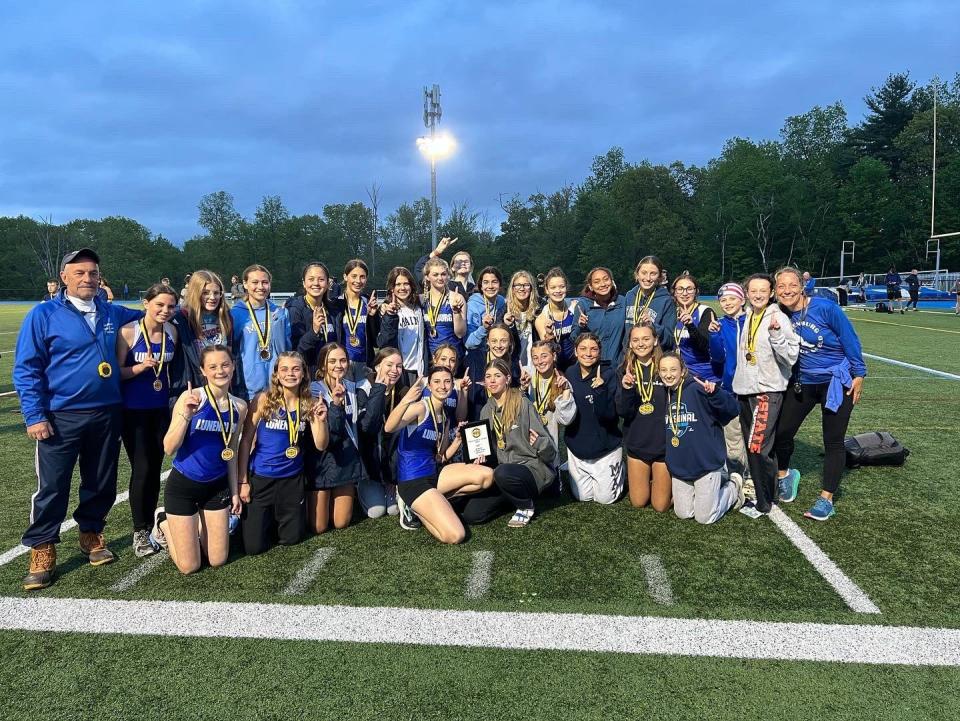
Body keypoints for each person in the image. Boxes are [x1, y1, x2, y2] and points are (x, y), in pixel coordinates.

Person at [14, 248, 143, 590]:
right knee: (53, 485)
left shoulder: (111, 311)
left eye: (94, 273)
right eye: (81, 273)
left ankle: (91, 534)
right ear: (65, 279)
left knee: (101, 480)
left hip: (106, 412)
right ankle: (42, 547)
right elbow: (27, 369)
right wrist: (34, 416)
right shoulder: (43, 315)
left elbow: (154, 316)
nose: (88, 279)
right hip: (60, 416)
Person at [773, 267, 866, 521]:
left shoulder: (825, 308)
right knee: (781, 432)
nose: (787, 290)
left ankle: (826, 499)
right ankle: (784, 475)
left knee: (833, 440)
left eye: (791, 285)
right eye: (781, 286)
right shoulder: (778, 312)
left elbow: (849, 338)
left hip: (835, 381)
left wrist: (859, 373)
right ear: (775, 290)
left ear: (802, 286)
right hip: (802, 382)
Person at [152, 345, 246, 574]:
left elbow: (231, 453)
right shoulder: (192, 397)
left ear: (233, 367)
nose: (220, 371)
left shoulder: (240, 407)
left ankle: (199, 523)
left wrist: (234, 491)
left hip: (217, 487)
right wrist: (186, 414)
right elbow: (168, 447)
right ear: (203, 371)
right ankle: (162, 521)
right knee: (190, 567)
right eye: (212, 367)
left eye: (225, 365)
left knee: (217, 560)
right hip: (184, 485)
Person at [384, 368, 494, 542]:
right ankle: (415, 505)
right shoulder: (420, 407)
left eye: (447, 381)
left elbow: (441, 457)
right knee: (456, 535)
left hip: (435, 473)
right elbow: (389, 427)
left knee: (487, 476)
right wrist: (406, 400)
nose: (442, 386)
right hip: (414, 481)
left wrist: (457, 440)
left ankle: (429, 506)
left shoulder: (444, 415)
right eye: (436, 382)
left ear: (452, 384)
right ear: (429, 385)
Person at [238, 352, 328, 555]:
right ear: (276, 374)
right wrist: (242, 482)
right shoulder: (263, 399)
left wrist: (321, 420)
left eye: (296, 369)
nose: (290, 374)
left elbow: (321, 445)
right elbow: (245, 442)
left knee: (292, 539)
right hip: (262, 478)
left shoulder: (311, 403)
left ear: (304, 373)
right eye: (284, 369)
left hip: (292, 479)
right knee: (254, 548)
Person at [117, 283, 179, 556]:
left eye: (170, 306)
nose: (165, 311)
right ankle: (139, 531)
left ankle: (154, 524)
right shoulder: (129, 332)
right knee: (142, 468)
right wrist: (138, 367)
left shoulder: (172, 332)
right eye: (160, 305)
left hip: (162, 410)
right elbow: (116, 372)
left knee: (157, 467)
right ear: (146, 303)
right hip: (134, 411)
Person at [732, 274, 799, 514]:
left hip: (766, 392)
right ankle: (764, 494)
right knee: (754, 447)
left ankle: (766, 499)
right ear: (747, 293)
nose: (758, 294)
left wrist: (777, 337)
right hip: (745, 390)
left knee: (758, 446)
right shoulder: (749, 315)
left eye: (763, 290)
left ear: (771, 293)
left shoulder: (778, 318)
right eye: (753, 291)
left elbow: (791, 357)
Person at [659, 352, 744, 524]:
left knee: (705, 517)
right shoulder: (664, 393)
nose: (668, 374)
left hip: (706, 464)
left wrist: (716, 393)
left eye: (673, 369)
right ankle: (708, 493)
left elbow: (733, 409)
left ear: (683, 371)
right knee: (684, 513)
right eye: (664, 370)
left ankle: (734, 486)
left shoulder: (698, 388)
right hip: (680, 466)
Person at [479, 358, 557, 527]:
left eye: (497, 376)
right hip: (506, 472)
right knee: (475, 514)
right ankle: (513, 497)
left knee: (502, 473)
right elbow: (490, 449)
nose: (492, 380)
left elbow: (551, 451)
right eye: (488, 376)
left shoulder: (522, 403)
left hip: (531, 468)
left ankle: (525, 505)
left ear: (507, 379)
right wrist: (480, 454)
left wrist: (539, 444)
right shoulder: (486, 411)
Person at [561, 333, 624, 504]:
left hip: (605, 448)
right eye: (583, 348)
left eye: (593, 349)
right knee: (583, 497)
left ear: (600, 352)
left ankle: (618, 467)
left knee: (605, 499)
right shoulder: (571, 372)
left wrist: (600, 391)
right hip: (578, 448)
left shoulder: (609, 374)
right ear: (575, 351)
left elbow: (610, 416)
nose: (588, 353)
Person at [308, 342, 364, 533]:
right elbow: (332, 433)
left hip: (345, 458)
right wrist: (336, 404)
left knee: (341, 523)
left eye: (342, 360)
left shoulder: (352, 387)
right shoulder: (314, 390)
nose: (338, 365)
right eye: (332, 361)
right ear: (323, 365)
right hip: (323, 458)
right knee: (318, 527)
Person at [616, 323, 670, 511]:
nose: (641, 344)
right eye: (636, 340)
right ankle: (654, 480)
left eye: (646, 339)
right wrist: (627, 389)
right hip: (637, 443)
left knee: (660, 506)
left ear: (655, 340)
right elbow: (623, 412)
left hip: (663, 444)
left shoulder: (666, 367)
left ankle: (670, 484)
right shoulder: (625, 370)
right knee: (638, 502)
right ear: (629, 344)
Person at [356, 347, 406, 518]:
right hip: (370, 467)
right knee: (377, 512)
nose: (394, 370)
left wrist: (394, 479)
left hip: (390, 466)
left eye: (399, 366)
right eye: (389, 365)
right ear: (377, 367)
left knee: (393, 510)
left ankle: (391, 482)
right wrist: (379, 387)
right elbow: (368, 426)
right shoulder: (363, 389)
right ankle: (361, 486)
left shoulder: (403, 392)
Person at [707, 283, 749, 489]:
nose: (727, 303)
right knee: (733, 434)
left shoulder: (754, 320)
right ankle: (736, 476)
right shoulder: (720, 325)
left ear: (742, 299)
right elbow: (717, 357)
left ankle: (756, 474)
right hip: (731, 389)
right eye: (723, 300)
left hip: (756, 390)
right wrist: (714, 336)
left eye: (732, 298)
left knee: (755, 435)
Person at [231, 264, 292, 401]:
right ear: (245, 284)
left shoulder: (280, 313)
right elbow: (232, 351)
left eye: (265, 282)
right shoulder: (235, 314)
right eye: (255, 282)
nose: (260, 287)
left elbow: (287, 348)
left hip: (277, 386)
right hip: (248, 389)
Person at [169, 270, 234, 396]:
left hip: (221, 385)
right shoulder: (180, 319)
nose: (212, 297)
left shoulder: (226, 316)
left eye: (216, 293)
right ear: (195, 293)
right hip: (192, 387)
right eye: (205, 293)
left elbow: (229, 352)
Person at [286, 262, 342, 376]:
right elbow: (295, 351)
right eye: (311, 279)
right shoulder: (295, 309)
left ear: (328, 283)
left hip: (331, 375)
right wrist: (314, 331)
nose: (316, 283)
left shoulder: (333, 310)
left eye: (321, 279)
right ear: (304, 283)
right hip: (307, 378)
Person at [377, 266, 427, 384]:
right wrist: (389, 316)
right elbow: (383, 343)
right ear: (392, 288)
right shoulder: (386, 309)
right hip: (398, 369)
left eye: (406, 283)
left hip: (418, 369)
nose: (402, 288)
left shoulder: (419, 307)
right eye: (398, 284)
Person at [526, 339, 576, 452]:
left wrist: (566, 390)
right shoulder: (527, 377)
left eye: (544, 356)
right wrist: (523, 388)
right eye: (535, 358)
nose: (540, 361)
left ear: (553, 356)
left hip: (550, 445)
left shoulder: (562, 382)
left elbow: (566, 420)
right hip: (527, 445)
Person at [464, 323, 521, 420]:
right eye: (494, 341)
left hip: (504, 422)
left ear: (510, 342)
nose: (498, 345)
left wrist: (523, 387)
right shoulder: (473, 359)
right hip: (477, 424)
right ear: (487, 342)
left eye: (503, 341)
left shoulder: (514, 367)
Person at [671, 272, 720, 382]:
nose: (684, 293)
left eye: (689, 289)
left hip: (703, 374)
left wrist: (690, 326)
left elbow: (705, 346)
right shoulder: (671, 313)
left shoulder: (705, 312)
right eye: (680, 289)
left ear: (696, 291)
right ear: (674, 292)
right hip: (678, 372)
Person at [574, 266, 625, 369]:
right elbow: (574, 338)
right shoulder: (582, 305)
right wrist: (581, 326)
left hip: (617, 366)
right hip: (591, 366)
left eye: (606, 279)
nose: (602, 284)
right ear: (591, 286)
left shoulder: (623, 302)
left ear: (612, 281)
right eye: (597, 282)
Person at [623, 255, 676, 350]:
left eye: (653, 274)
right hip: (629, 358)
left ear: (660, 277)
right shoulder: (629, 296)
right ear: (637, 274)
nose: (648, 278)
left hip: (653, 359)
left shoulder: (666, 301)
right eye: (644, 273)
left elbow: (670, 339)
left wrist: (653, 326)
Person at [421, 256, 467, 361]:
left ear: (448, 276)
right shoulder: (422, 300)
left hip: (453, 358)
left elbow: (460, 333)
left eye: (443, 274)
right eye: (435, 274)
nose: (440, 278)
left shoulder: (456, 298)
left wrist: (456, 312)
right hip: (432, 358)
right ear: (427, 277)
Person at [337, 259, 379, 373]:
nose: (358, 281)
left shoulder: (368, 303)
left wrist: (372, 316)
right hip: (343, 364)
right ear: (345, 277)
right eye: (354, 276)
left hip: (365, 363)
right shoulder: (337, 304)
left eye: (362, 277)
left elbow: (376, 340)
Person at [534, 267, 577, 372]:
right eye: (553, 287)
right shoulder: (542, 318)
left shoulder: (575, 308)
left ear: (566, 288)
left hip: (577, 366)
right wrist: (549, 337)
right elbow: (546, 349)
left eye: (561, 287)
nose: (558, 291)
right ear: (547, 290)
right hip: (555, 369)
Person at [503, 270, 540, 371]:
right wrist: (508, 325)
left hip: (535, 365)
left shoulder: (538, 310)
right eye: (518, 285)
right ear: (513, 289)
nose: (522, 289)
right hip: (513, 365)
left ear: (531, 288)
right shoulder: (504, 310)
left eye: (526, 285)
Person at [465, 266, 507, 350]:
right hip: (476, 357)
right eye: (486, 282)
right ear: (481, 286)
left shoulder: (502, 302)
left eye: (494, 282)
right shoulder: (472, 306)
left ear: (500, 285)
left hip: (497, 352)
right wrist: (484, 328)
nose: (490, 286)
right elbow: (468, 343)